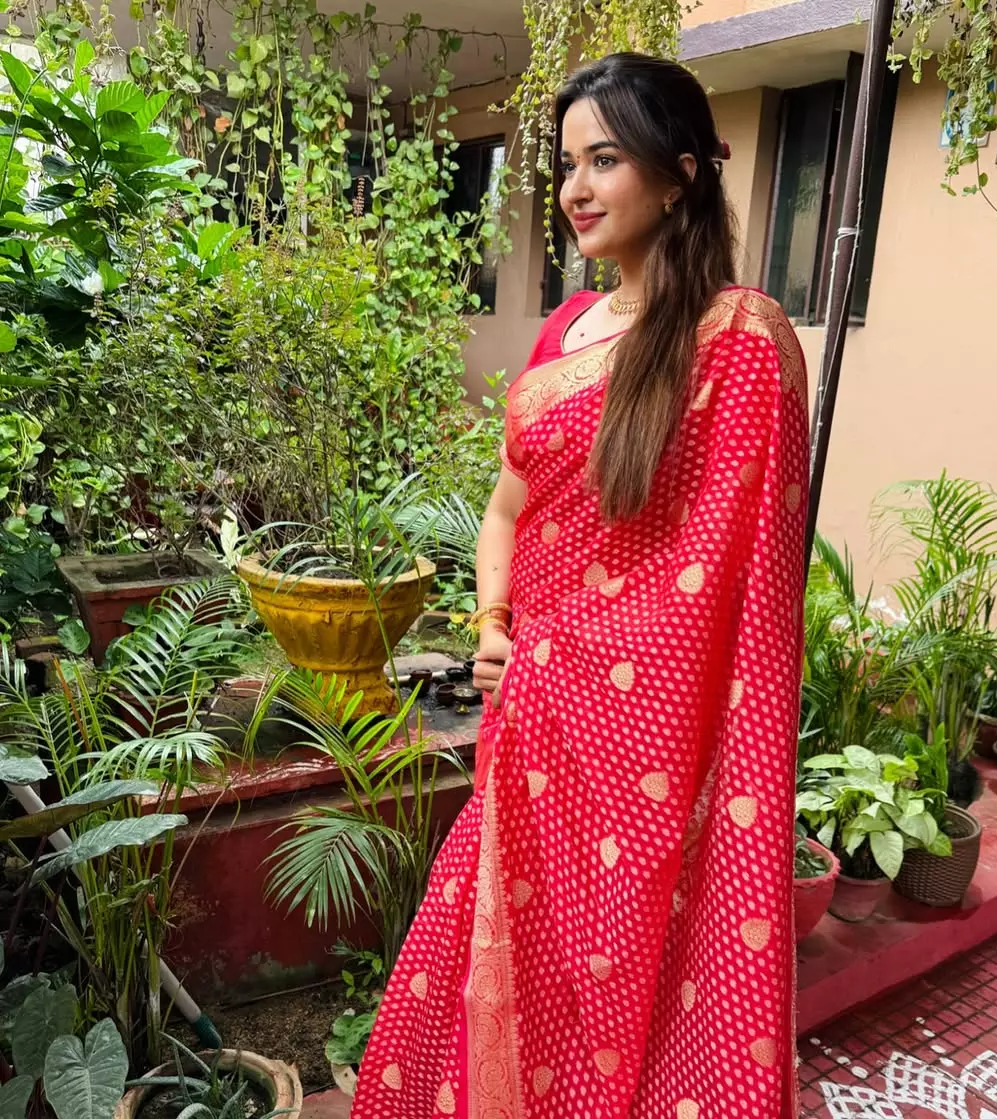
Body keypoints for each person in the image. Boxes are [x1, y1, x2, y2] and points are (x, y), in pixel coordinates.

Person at [351, 52, 808, 1119]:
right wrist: (494, 619)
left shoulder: (738, 340)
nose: (577, 188)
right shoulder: (564, 334)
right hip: (537, 722)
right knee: (509, 967)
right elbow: (507, 512)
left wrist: (614, 666)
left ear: (681, 172)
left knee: (619, 989)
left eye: (606, 159)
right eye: (566, 163)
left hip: (650, 740)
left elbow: (739, 584)